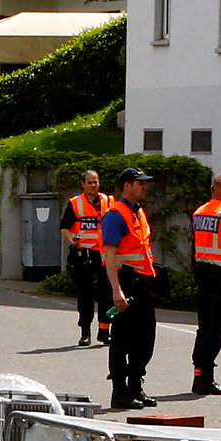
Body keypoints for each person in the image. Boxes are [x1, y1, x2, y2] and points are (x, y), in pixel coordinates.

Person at [101, 168, 163, 409]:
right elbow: (110, 255)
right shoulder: (115, 215)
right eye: (140, 183)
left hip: (143, 283)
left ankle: (136, 386)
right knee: (121, 340)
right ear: (127, 185)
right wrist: (116, 291)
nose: (145, 187)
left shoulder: (137, 212)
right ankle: (120, 392)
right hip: (125, 283)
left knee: (146, 339)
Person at [185, 172, 221, 397]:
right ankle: (206, 379)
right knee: (216, 328)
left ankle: (198, 375)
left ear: (212, 188)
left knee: (204, 325)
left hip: (202, 272)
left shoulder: (200, 211)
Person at [63, 169, 116, 348]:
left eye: (96, 182)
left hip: (104, 254)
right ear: (83, 184)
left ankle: (104, 330)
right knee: (85, 295)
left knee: (107, 293)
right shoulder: (75, 203)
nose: (94, 185)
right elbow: (64, 227)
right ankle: (85, 332)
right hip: (83, 254)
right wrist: (71, 239)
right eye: (90, 182)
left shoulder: (109, 201)